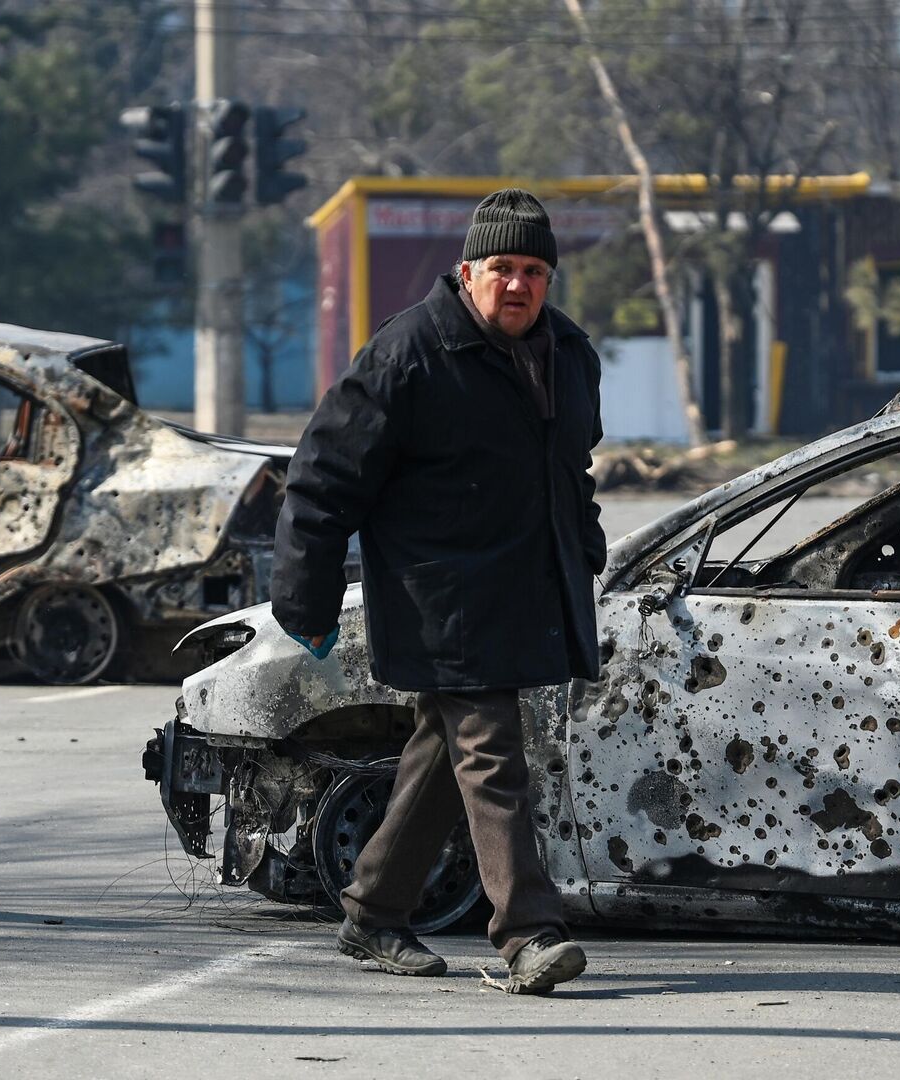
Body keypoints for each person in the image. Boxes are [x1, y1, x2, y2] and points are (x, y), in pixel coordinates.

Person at [272, 188, 606, 995]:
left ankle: (374, 911)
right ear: (467, 271)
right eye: (502, 268)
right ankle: (528, 932)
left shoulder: (568, 352)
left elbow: (571, 469)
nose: (518, 285)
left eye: (533, 270)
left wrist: (584, 547)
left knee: (439, 752)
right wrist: (305, 597)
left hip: (522, 588)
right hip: (441, 599)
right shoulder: (411, 350)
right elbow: (323, 477)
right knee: (493, 756)